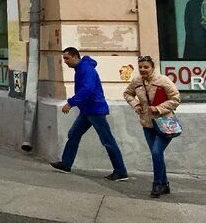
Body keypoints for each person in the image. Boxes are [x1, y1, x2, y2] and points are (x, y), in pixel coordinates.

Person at [50, 46, 129, 181]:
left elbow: (87, 90)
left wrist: (71, 102)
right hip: (87, 110)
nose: (65, 61)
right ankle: (66, 164)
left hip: (95, 110)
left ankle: (121, 171)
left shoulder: (86, 69)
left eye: (67, 58)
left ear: (75, 57)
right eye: (64, 59)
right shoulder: (81, 68)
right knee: (73, 134)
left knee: (107, 140)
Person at [122, 55, 182, 197]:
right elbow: (127, 93)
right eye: (141, 67)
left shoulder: (163, 80)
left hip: (165, 123)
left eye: (146, 67)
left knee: (156, 152)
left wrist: (159, 108)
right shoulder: (137, 81)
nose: (143, 69)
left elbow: (176, 99)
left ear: (152, 67)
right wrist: (136, 105)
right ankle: (164, 184)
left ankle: (157, 184)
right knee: (157, 154)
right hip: (147, 124)